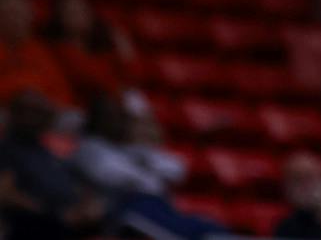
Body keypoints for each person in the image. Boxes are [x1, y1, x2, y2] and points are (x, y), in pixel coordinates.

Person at [70, 94, 222, 239]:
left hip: (160, 206)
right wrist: (141, 170)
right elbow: (112, 173)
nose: (114, 122)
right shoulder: (91, 147)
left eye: (118, 117)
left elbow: (176, 170)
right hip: (126, 207)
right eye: (109, 117)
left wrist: (143, 163)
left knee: (209, 228)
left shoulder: (132, 149)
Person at [0, 90, 107, 240]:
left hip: (71, 221)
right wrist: (54, 214)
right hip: (35, 226)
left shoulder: (45, 151)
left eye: (38, 112)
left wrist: (85, 206)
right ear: (12, 114)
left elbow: (75, 185)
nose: (31, 118)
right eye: (24, 111)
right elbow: (5, 194)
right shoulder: (7, 149)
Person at [44, 0, 133, 107]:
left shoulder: (100, 50)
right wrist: (116, 87)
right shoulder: (60, 50)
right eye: (72, 11)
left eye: (83, 10)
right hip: (81, 111)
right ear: (59, 17)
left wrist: (126, 55)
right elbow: (94, 82)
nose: (80, 15)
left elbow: (131, 80)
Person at [0, 0, 72, 109]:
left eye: (19, 13)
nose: (15, 20)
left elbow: (62, 93)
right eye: (9, 14)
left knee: (74, 118)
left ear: (30, 15)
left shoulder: (41, 51)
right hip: (6, 111)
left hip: (44, 112)